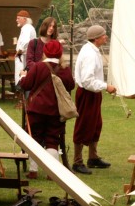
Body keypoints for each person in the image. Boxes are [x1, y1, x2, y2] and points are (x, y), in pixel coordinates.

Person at [19, 40, 74, 179]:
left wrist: (22, 76)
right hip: (56, 111)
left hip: (36, 110)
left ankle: (33, 171)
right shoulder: (64, 69)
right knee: (52, 140)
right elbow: (71, 85)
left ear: (45, 51)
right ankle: (51, 173)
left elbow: (25, 85)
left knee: (34, 139)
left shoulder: (38, 66)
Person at [72, 25, 116, 174]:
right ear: (96, 38)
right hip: (87, 94)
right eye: (103, 35)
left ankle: (93, 157)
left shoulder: (91, 50)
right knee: (84, 125)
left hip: (92, 94)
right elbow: (87, 80)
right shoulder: (90, 54)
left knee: (96, 124)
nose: (106, 37)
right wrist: (105, 86)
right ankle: (77, 161)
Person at [14, 10, 36, 86]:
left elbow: (26, 41)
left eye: (18, 18)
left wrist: (19, 50)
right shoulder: (27, 28)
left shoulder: (27, 28)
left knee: (22, 77)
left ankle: (22, 94)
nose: (16, 20)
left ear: (25, 19)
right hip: (25, 56)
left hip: (24, 57)